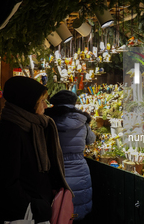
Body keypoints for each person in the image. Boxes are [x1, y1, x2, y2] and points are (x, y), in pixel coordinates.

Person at [0, 76, 72, 224]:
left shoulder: (33, 126)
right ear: (28, 103)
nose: (45, 106)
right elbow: (6, 185)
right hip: (21, 215)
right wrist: (36, 206)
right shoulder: (9, 133)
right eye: (41, 101)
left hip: (35, 211)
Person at [45, 90, 96, 221]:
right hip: (79, 167)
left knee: (58, 207)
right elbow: (90, 140)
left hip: (55, 168)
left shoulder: (47, 120)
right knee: (77, 204)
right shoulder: (82, 121)